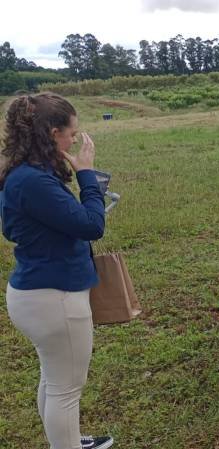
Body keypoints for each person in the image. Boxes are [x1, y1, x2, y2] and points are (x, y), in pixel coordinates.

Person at [0, 93, 113, 449]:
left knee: (53, 380)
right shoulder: (33, 182)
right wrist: (87, 176)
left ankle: (67, 441)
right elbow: (92, 224)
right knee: (66, 390)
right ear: (52, 133)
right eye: (71, 134)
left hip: (36, 293)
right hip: (54, 299)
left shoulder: (23, 175)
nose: (74, 141)